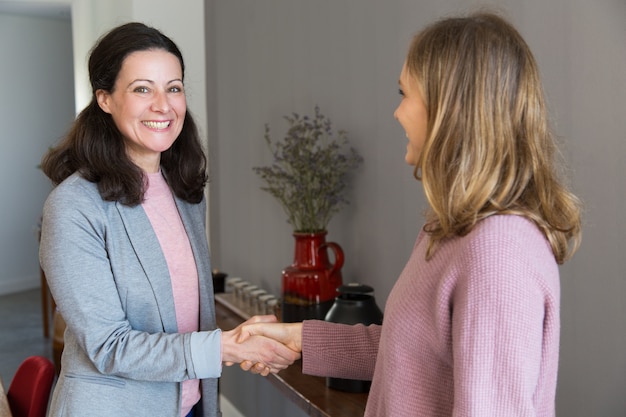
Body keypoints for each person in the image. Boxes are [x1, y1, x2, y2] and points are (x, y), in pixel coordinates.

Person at [238, 12, 582, 417]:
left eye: (404, 94)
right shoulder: (457, 230)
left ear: (449, 109)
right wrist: (300, 339)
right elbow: (414, 350)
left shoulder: (498, 254)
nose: (397, 113)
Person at [39, 22, 299, 417]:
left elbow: (182, 313)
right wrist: (226, 346)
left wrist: (246, 335)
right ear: (105, 99)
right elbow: (110, 347)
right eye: (142, 88)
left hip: (191, 404)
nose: (164, 105)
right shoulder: (73, 207)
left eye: (173, 87)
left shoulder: (184, 191)